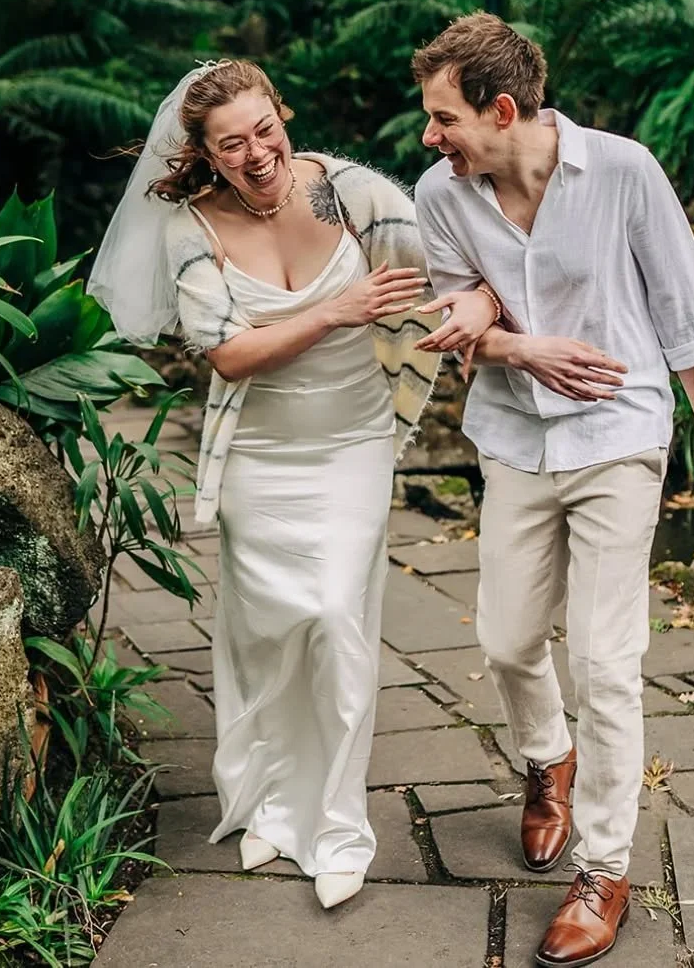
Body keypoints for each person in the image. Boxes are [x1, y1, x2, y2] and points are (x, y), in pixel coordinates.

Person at [88, 59, 496, 911]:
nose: (257, 154)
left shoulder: (355, 197)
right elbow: (227, 353)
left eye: (264, 130)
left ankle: (339, 823)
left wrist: (486, 314)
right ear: (202, 151)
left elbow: (463, 268)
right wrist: (335, 312)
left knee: (335, 619)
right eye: (231, 144)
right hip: (256, 460)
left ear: (283, 113)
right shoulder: (190, 227)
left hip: (350, 444)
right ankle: (271, 800)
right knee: (265, 633)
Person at [410, 14, 694, 967]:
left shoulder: (624, 172)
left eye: (444, 118)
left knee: (608, 662)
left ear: (504, 109)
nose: (430, 136)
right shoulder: (444, 194)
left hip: (619, 435)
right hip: (514, 437)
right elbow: (460, 306)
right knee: (508, 640)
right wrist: (522, 344)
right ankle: (545, 760)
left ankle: (605, 869)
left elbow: (684, 312)